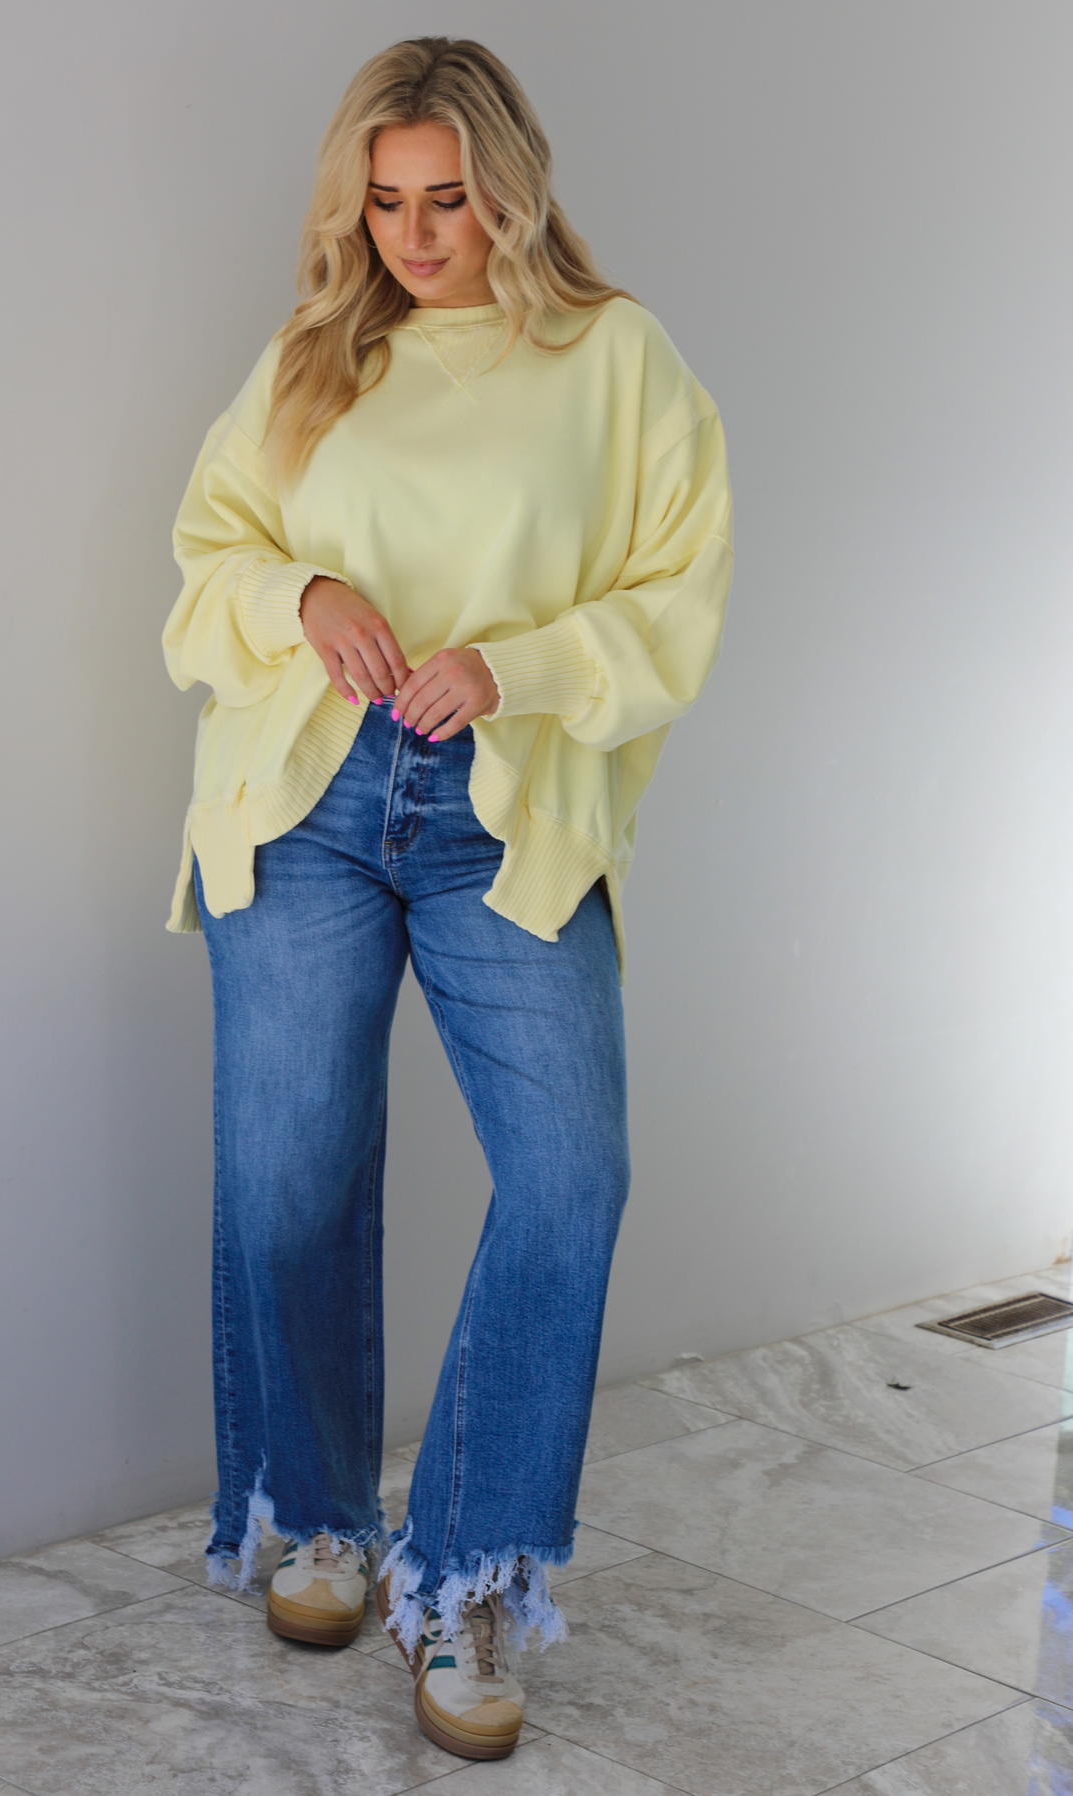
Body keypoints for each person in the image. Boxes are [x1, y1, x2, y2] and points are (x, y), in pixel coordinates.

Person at [162, 34, 732, 1763]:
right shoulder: (314, 359)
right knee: (283, 1183)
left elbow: (678, 602)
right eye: (387, 203)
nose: (419, 237)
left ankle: (465, 1566)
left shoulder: (619, 362)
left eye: (450, 200)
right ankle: (325, 1517)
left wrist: (516, 665)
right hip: (309, 794)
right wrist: (307, 590)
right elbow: (206, 570)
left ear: (514, 183)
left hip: (508, 808)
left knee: (571, 1176)